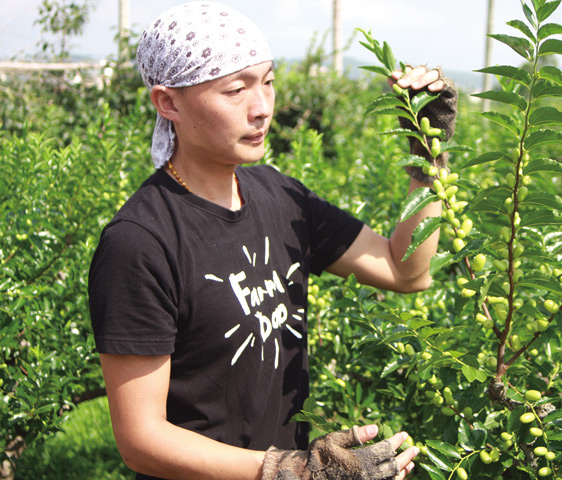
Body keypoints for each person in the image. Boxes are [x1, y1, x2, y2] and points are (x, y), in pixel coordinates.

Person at [88, 2, 457, 479]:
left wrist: (428, 156)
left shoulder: (280, 197)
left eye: (268, 81)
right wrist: (293, 471)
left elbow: (405, 270)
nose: (261, 107)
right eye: (236, 89)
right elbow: (141, 440)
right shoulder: (142, 242)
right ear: (168, 103)